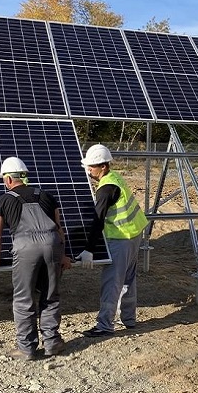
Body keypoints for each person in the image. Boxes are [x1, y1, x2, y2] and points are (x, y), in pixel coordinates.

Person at [0, 156, 72, 360]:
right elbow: (60, 230)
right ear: (24, 177)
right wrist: (64, 255)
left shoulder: (3, 200)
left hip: (25, 248)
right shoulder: (46, 196)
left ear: (8, 180)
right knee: (50, 295)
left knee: (24, 299)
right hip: (52, 244)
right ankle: (52, 343)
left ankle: (26, 348)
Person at [75, 144, 149, 337]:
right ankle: (129, 319)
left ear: (103, 167)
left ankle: (105, 325)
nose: (88, 170)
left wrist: (89, 249)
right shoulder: (114, 178)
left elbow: (97, 220)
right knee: (128, 279)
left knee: (112, 282)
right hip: (134, 233)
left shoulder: (106, 189)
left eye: (91, 167)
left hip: (122, 238)